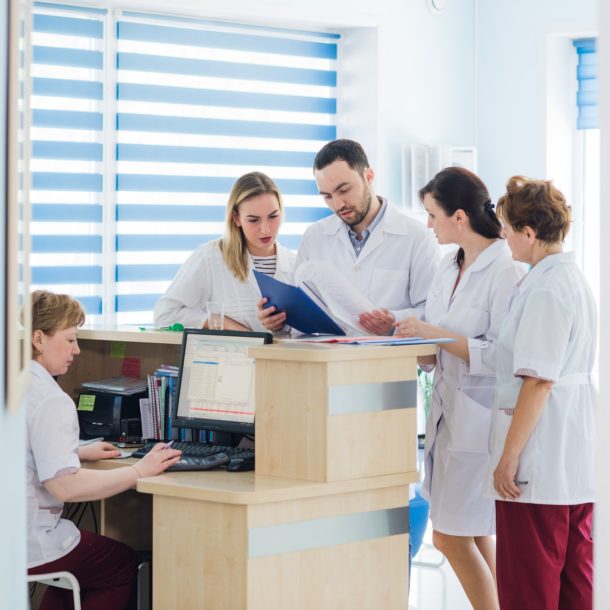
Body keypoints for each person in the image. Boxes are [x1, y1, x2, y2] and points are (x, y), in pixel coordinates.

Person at [395, 167, 525, 610]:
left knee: (450, 537)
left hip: (483, 419)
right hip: (448, 412)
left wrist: (431, 332)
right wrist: (411, 339)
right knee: (472, 533)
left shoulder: (504, 269)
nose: (428, 225)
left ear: (459, 218)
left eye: (432, 215)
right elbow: (437, 347)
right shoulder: (446, 265)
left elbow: (503, 356)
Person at [27, 290, 182, 610]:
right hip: (28, 542)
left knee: (82, 568)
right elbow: (65, 487)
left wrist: (77, 451)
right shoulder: (52, 399)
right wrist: (139, 470)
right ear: (39, 338)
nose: (77, 349)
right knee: (120, 564)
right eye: (70, 340)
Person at [486, 177, 596, 610]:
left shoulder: (547, 289)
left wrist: (508, 458)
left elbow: (538, 380)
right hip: (571, 457)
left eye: (507, 229)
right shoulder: (569, 280)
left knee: (528, 586)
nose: (504, 238)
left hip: (538, 461)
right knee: (575, 581)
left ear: (529, 233)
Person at [258, 139, 438, 335]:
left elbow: (432, 314)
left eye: (344, 190)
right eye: (327, 196)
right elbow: (300, 309)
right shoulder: (314, 236)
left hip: (387, 361)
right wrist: (280, 321)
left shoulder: (417, 237)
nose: (338, 204)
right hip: (329, 362)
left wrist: (394, 322)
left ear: (368, 176)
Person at [154, 171, 296, 331]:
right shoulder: (210, 256)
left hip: (281, 356)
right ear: (236, 218)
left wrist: (280, 326)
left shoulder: (295, 264)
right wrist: (223, 323)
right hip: (230, 355)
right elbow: (165, 314)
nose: (265, 229)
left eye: (273, 216)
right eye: (253, 220)